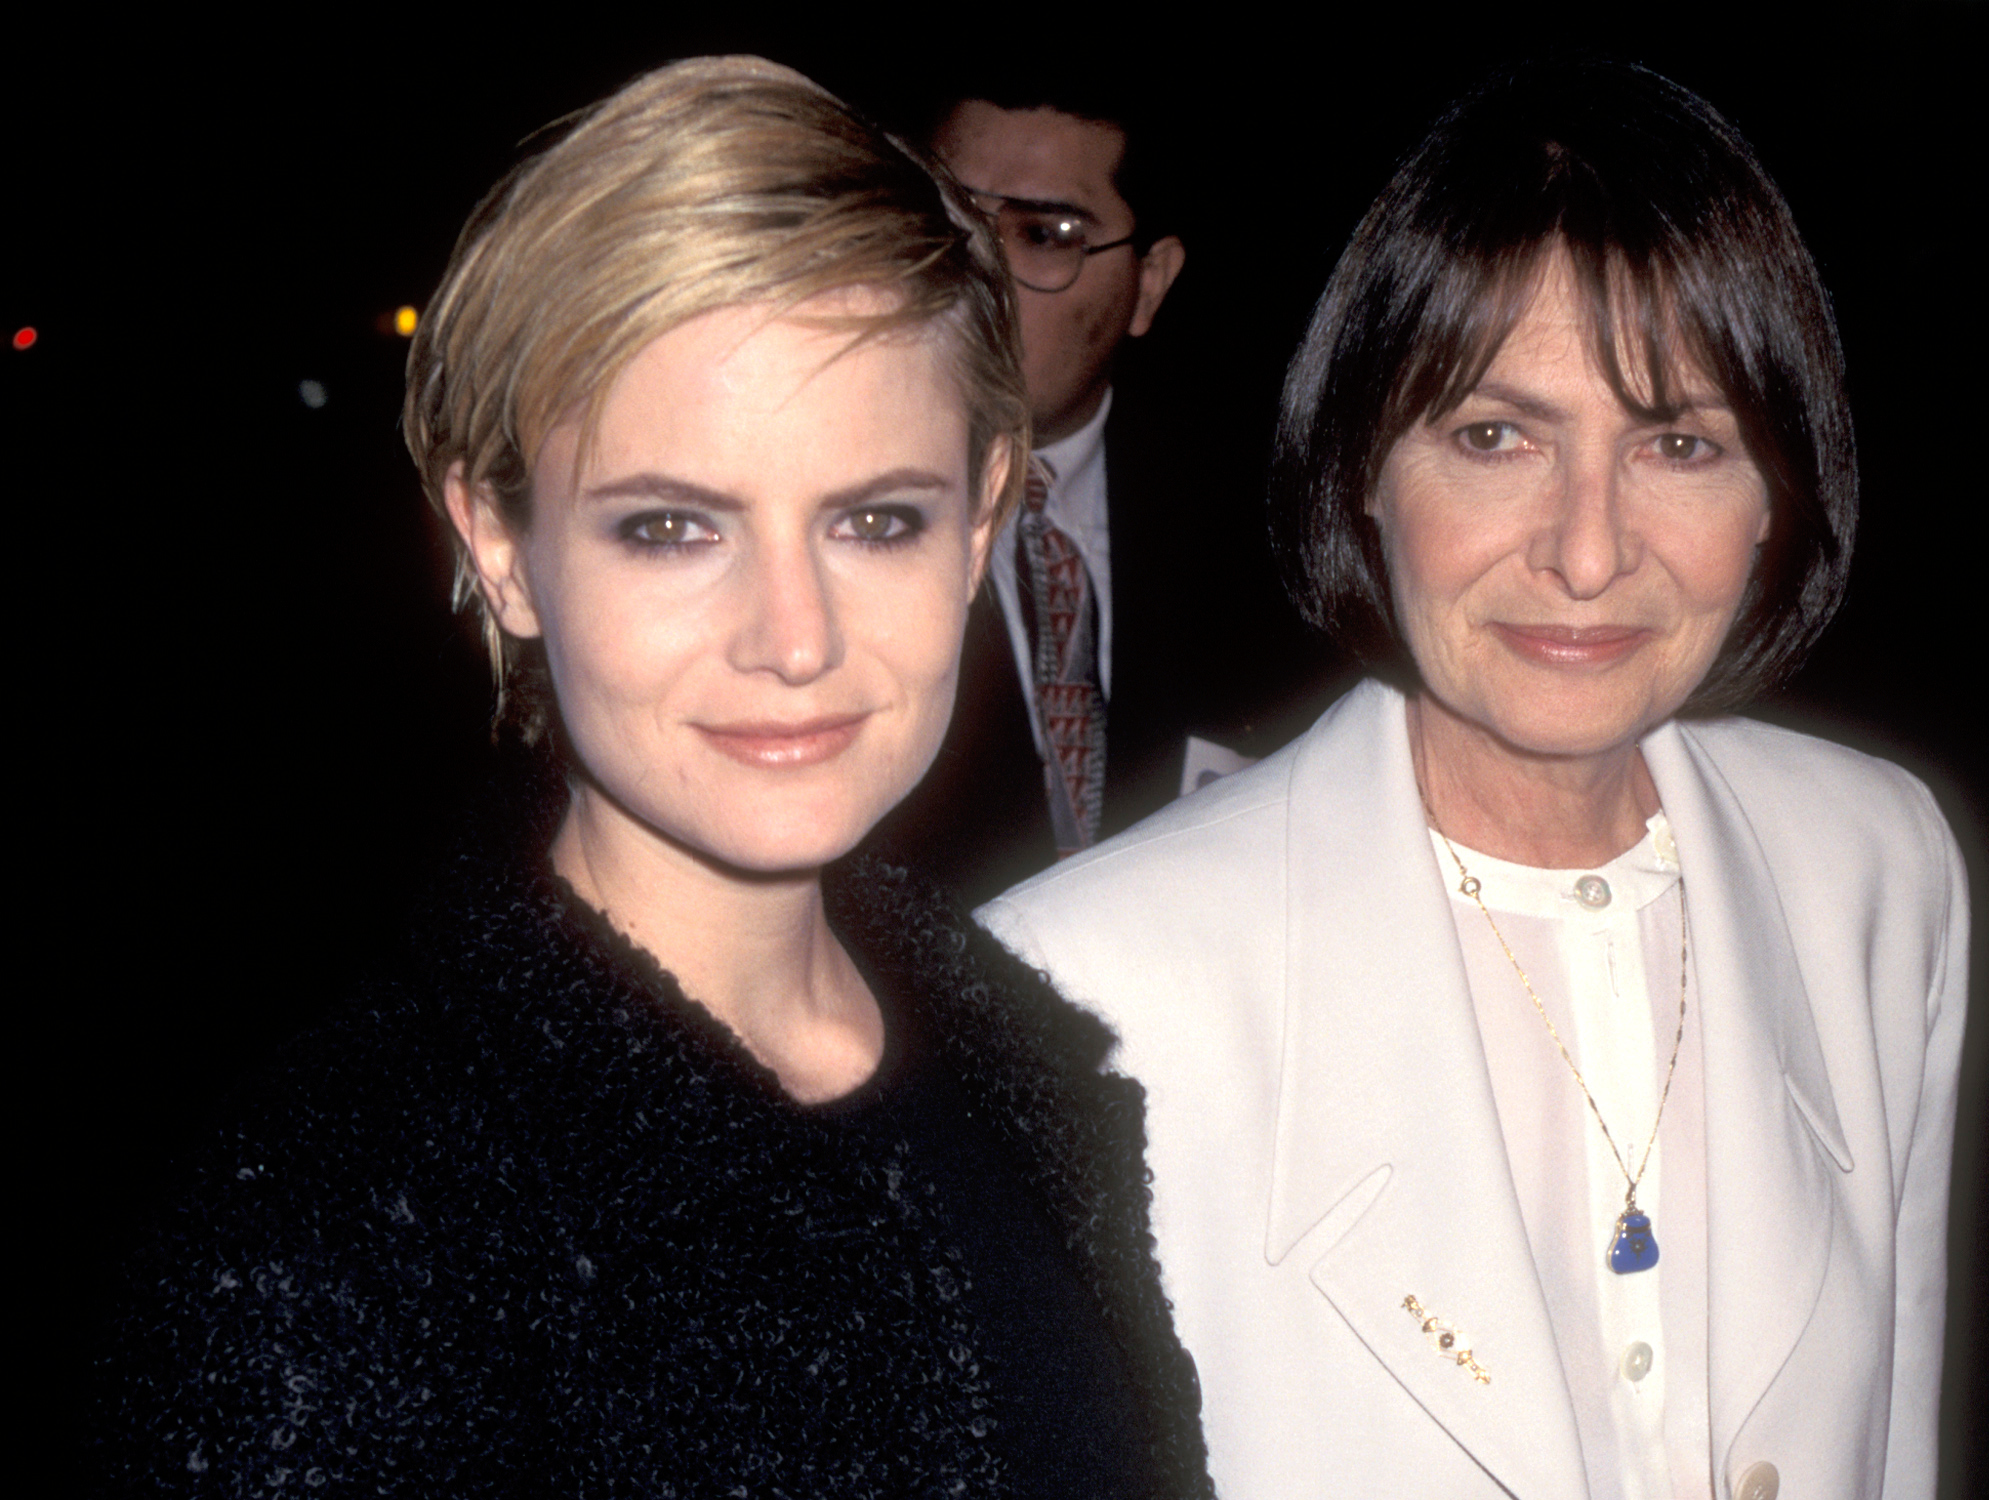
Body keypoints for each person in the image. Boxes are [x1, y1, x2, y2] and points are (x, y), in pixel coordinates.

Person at [90, 58, 1212, 1499]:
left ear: (984, 514)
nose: (795, 639)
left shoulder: (1034, 1073)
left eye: (875, 520)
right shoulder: (329, 1256)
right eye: (673, 529)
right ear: (499, 546)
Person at [980, 60, 1966, 1500]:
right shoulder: (1080, 989)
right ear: (1364, 466)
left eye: (1680, 444)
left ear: (1777, 498)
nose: (1584, 552)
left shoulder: (1879, 864)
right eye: (1495, 436)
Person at [865, 78, 1333, 904]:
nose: (977, 271)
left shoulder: (1274, 533)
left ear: (1149, 284)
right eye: (949, 218)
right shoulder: (829, 513)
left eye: (1044, 234)